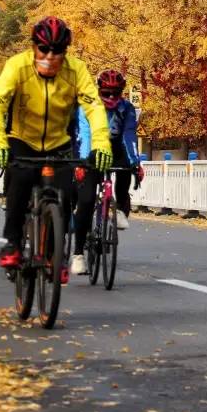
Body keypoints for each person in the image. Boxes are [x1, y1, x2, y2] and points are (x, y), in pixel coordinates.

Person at [0, 16, 111, 270]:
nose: (50, 56)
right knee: (18, 188)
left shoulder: (76, 70)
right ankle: (13, 244)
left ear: (66, 52)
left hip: (58, 142)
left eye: (58, 51)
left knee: (64, 199)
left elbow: (94, 107)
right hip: (22, 140)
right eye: (44, 49)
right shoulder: (16, 67)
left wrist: (101, 144)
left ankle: (55, 252)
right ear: (34, 47)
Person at [71, 69, 142, 274]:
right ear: (99, 90)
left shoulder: (127, 108)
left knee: (126, 167)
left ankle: (119, 207)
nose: (111, 97)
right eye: (107, 93)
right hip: (91, 149)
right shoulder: (87, 106)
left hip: (116, 147)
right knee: (85, 201)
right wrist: (82, 163)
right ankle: (78, 255)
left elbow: (129, 136)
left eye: (116, 93)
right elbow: (83, 135)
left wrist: (135, 163)